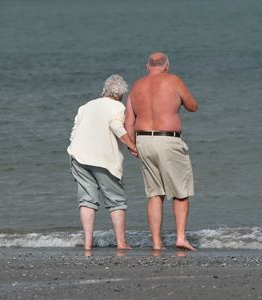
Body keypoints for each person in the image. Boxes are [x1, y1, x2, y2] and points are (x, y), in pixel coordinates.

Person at [125, 52, 198, 251]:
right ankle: (180, 237)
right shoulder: (173, 80)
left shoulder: (136, 86)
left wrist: (132, 145)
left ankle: (156, 243)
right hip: (168, 140)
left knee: (154, 193)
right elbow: (193, 106)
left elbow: (129, 121)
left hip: (144, 140)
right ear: (167, 66)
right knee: (180, 191)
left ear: (147, 66)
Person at [67, 74, 137, 254]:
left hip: (79, 155)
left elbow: (74, 131)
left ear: (105, 90)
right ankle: (121, 243)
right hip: (104, 160)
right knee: (116, 201)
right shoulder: (118, 106)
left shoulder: (86, 106)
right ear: (120, 94)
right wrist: (132, 146)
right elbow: (116, 126)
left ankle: (88, 244)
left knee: (87, 200)